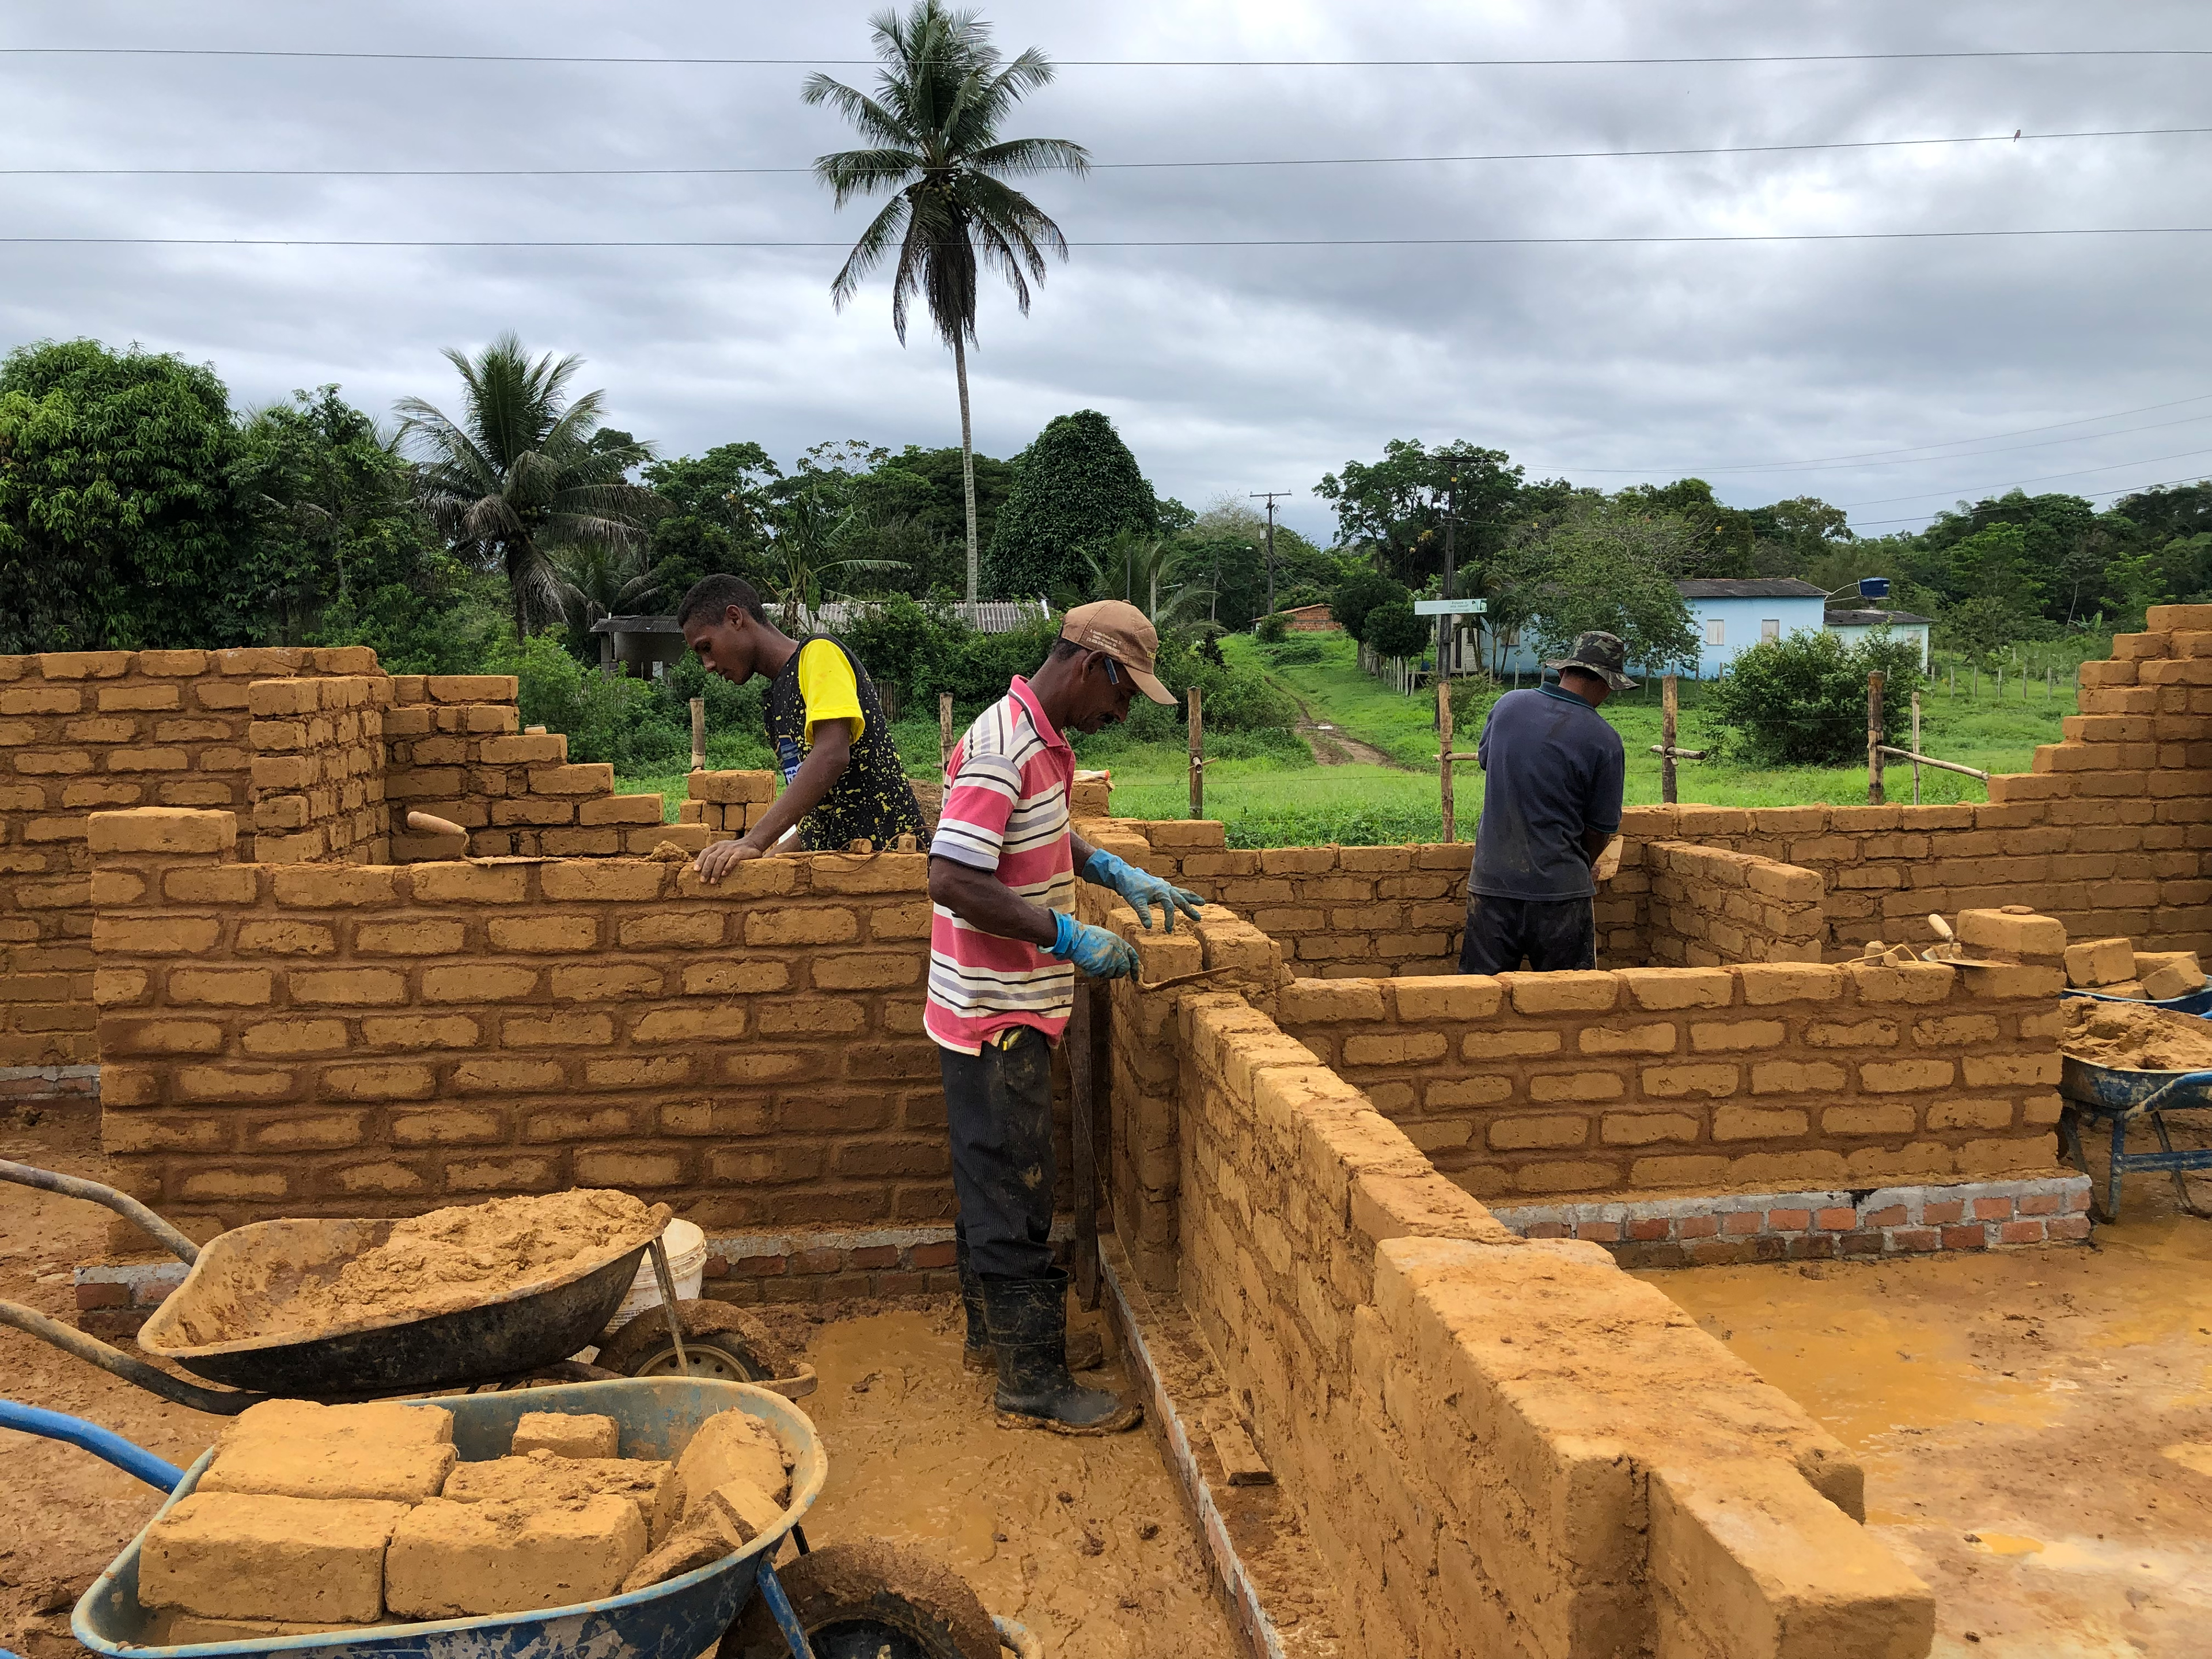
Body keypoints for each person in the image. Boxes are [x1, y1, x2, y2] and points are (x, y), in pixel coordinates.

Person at [927, 600, 1205, 1433]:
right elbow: (951, 877)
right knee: (1014, 1189)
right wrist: (1067, 934)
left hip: (1006, 1006)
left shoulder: (1038, 742)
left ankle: (1001, 1341)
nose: (1121, 715)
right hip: (993, 1012)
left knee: (995, 1177)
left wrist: (1111, 869)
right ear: (1095, 668)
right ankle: (1032, 1380)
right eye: (1123, 698)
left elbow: (1039, 834)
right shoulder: (1000, 749)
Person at [676, 575, 925, 877]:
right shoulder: (776, 699)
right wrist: (765, 865)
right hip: (843, 871)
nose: (708, 665)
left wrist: (754, 840)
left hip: (890, 864)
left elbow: (832, 754)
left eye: (707, 647)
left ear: (735, 618)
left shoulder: (818, 655)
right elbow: (821, 815)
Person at [1459, 630, 1631, 975]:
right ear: (1607, 683)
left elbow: (1487, 761)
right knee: (1568, 1004)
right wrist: (1577, 866)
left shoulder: (1508, 706)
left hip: (1493, 884)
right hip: (1560, 894)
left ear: (1564, 671)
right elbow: (1599, 830)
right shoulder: (1605, 740)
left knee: (1476, 1001)